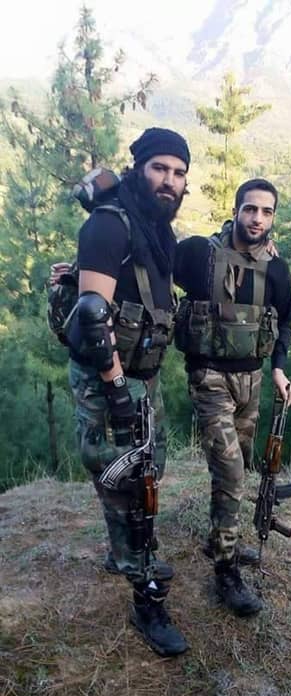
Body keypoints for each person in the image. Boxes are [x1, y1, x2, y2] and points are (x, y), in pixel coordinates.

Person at [63, 128, 191, 656]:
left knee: (147, 473)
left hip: (143, 378)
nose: (169, 180)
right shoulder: (109, 225)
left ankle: (129, 555)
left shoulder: (156, 231)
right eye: (160, 167)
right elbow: (93, 318)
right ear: (139, 168)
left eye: (179, 172)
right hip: (110, 380)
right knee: (127, 485)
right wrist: (117, 391)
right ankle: (146, 599)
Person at [174, 178, 291, 617]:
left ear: (273, 217)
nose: (257, 219)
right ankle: (226, 571)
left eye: (266, 211)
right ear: (236, 210)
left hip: (252, 381)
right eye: (250, 209)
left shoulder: (276, 268)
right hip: (209, 377)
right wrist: (82, 272)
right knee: (231, 472)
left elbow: (285, 320)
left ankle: (218, 539)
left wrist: (278, 367)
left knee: (238, 463)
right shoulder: (199, 254)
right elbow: (149, 262)